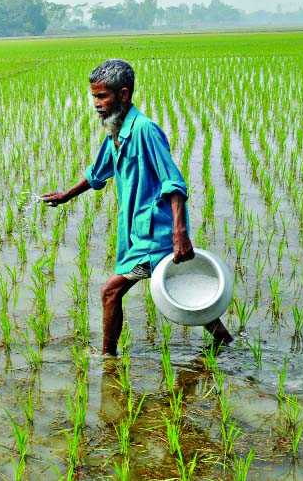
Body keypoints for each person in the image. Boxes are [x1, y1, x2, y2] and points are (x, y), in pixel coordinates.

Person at [42, 59, 232, 356]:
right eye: (94, 97)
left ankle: (108, 357)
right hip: (136, 230)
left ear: (124, 94)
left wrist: (180, 233)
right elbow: (98, 171)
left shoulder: (145, 130)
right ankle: (223, 339)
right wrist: (67, 194)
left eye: (102, 96)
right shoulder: (116, 130)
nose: (96, 104)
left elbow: (174, 183)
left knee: (110, 291)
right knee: (180, 288)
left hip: (154, 234)